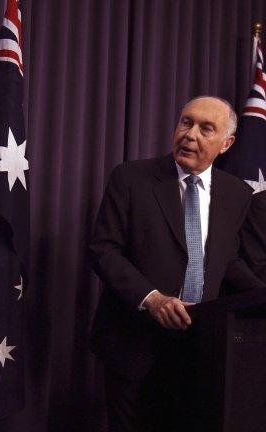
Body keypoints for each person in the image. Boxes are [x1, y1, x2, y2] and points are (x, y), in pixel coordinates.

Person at [88, 96, 266, 431]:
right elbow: (103, 250)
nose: (190, 134)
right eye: (186, 122)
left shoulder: (237, 194)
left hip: (201, 349)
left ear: (226, 144)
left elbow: (228, 261)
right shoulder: (130, 178)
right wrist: (152, 298)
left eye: (205, 128)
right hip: (133, 345)